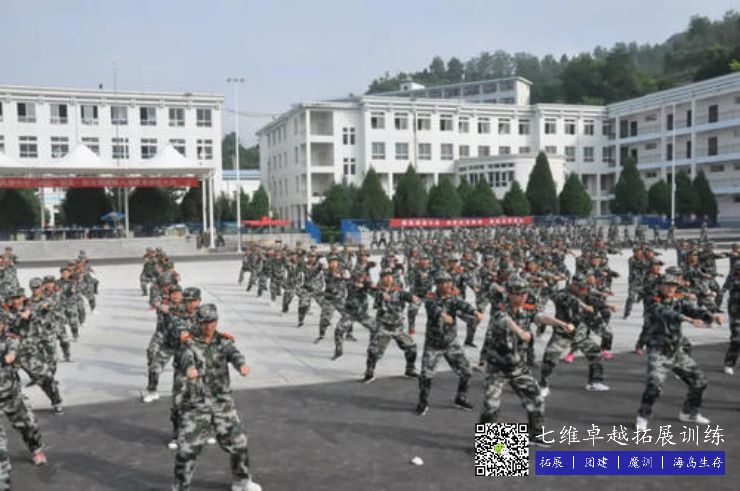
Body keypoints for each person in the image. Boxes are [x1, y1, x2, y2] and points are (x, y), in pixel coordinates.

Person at [478, 276, 574, 446]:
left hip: (517, 367)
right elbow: (507, 321)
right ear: (510, 294)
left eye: (524, 293)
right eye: (519, 293)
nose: (523, 297)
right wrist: (521, 333)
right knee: (491, 405)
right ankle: (487, 445)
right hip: (498, 367)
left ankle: (535, 434)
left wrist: (561, 324)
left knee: (535, 398)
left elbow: (541, 317)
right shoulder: (500, 310)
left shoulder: (526, 309)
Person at [174, 304, 260, 491]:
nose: (209, 326)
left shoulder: (224, 341)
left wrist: (241, 365)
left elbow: (234, 354)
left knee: (239, 442)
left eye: (212, 321)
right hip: (197, 405)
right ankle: (181, 487)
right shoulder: (189, 342)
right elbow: (185, 358)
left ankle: (241, 481)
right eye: (205, 322)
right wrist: (189, 368)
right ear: (198, 322)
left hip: (222, 403)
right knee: (187, 450)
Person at [635, 274, 723, 430]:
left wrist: (711, 316)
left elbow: (694, 309)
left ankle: (688, 413)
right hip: (659, 351)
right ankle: (643, 415)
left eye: (674, 285)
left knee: (700, 381)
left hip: (676, 350)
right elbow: (666, 313)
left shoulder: (678, 300)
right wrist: (689, 320)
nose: (671, 288)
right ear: (660, 285)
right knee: (654, 385)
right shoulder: (652, 299)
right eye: (668, 285)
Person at [415, 272, 483, 416]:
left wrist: (475, 312)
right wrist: (443, 315)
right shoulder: (430, 297)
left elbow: (463, 304)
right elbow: (433, 307)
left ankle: (460, 397)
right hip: (433, 344)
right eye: (444, 282)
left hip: (451, 343)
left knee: (466, 371)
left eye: (449, 282)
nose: (447, 285)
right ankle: (423, 402)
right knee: (426, 375)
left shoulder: (453, 298)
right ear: (437, 284)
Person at [0, 311, 48, 488]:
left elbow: (10, 356)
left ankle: (36, 449)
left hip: (11, 395)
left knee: (29, 426)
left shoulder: (10, 340)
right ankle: (3, 477)